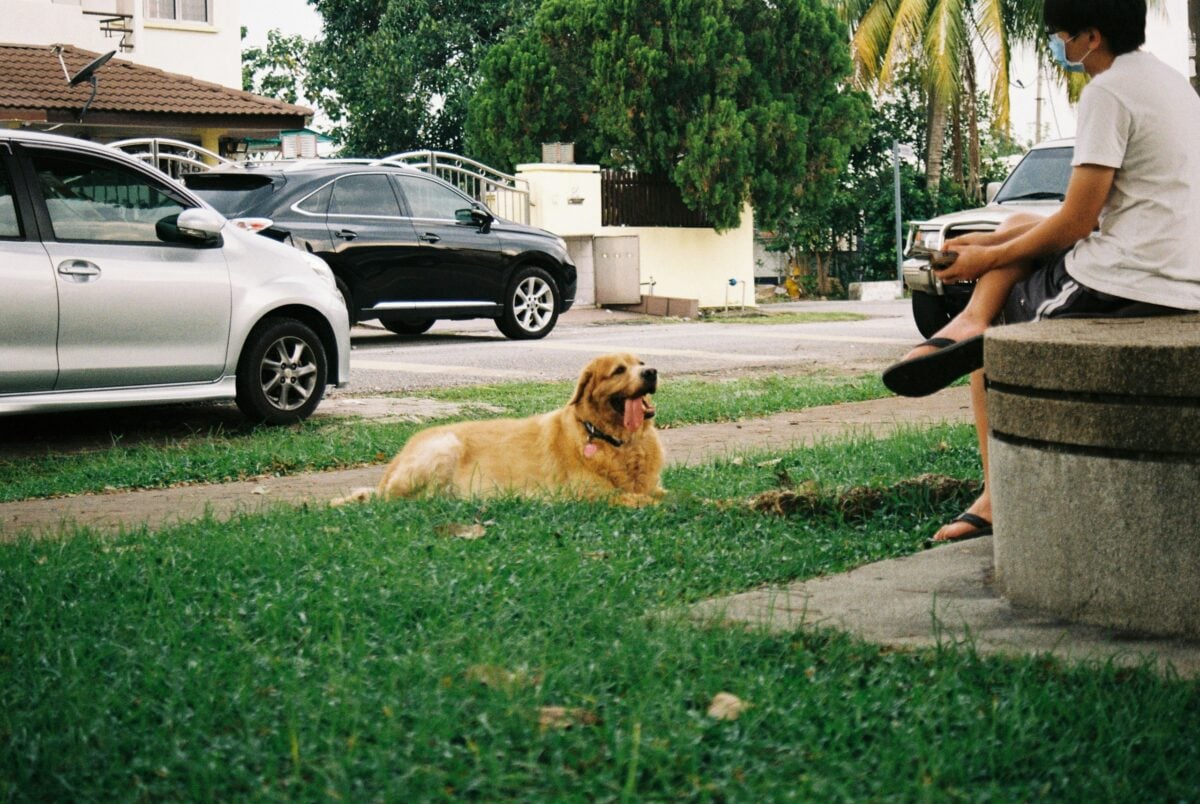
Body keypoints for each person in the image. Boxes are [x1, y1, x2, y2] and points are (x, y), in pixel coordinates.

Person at [882, 0, 1200, 543]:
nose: (1058, 47)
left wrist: (988, 257)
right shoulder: (1172, 85)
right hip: (1177, 270)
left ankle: (994, 496)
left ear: (1091, 37)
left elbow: (1076, 223)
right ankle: (970, 318)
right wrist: (997, 238)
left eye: (1060, 36)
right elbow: (1084, 212)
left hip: (1129, 282)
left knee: (994, 344)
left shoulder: (1107, 91)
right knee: (1023, 224)